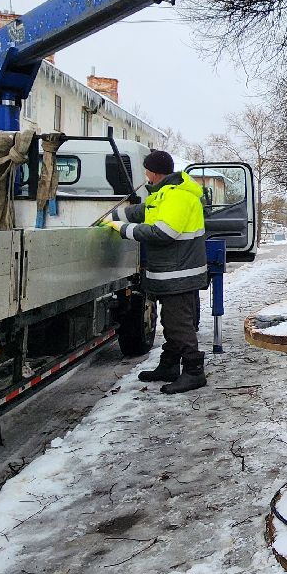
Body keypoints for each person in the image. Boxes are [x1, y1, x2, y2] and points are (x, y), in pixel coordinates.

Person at [103, 150, 208, 394]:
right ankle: (169, 365)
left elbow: (163, 233)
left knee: (178, 324)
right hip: (172, 273)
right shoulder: (164, 194)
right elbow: (144, 212)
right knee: (170, 322)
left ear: (154, 172)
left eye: (147, 170)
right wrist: (109, 215)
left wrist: (122, 229)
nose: (145, 174)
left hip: (179, 274)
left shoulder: (178, 197)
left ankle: (194, 372)